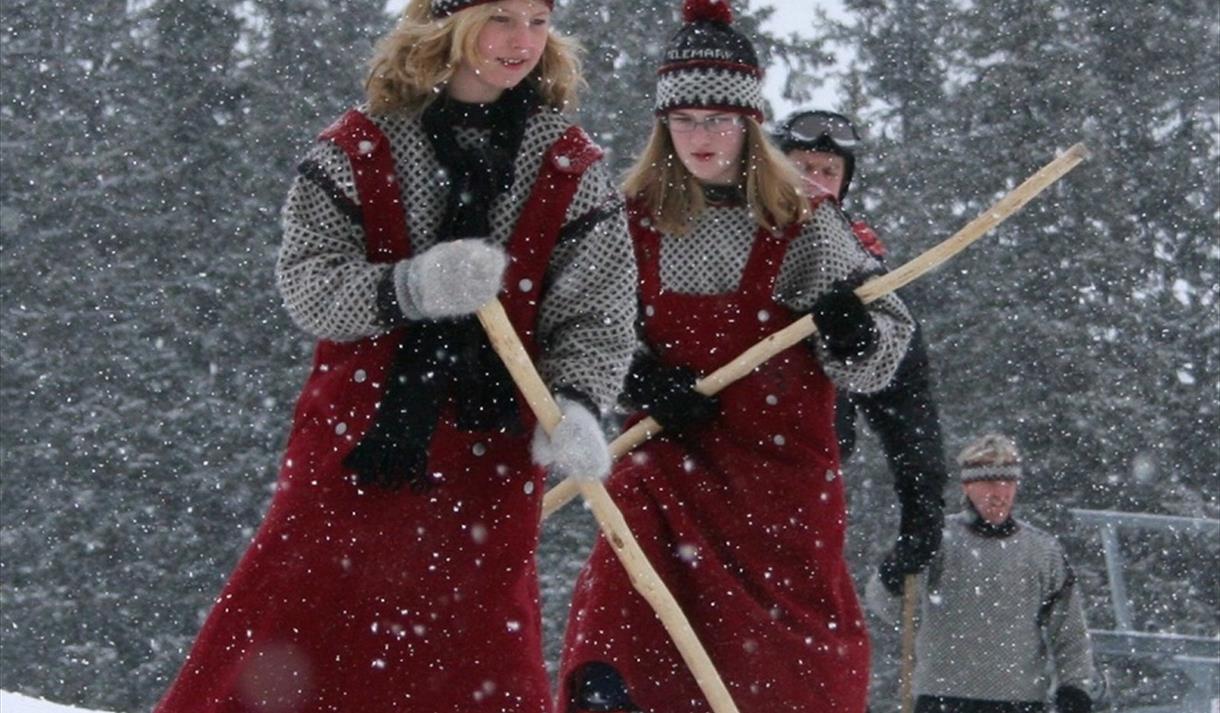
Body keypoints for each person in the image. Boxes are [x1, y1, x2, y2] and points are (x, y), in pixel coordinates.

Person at [154, 0, 637, 710]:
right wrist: (410, 287)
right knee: (293, 633)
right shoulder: (358, 147)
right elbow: (309, 286)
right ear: (448, 22)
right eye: (502, 17)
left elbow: (599, 309)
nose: (523, 40)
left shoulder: (569, 164)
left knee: (474, 654)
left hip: (490, 456)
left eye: (538, 20)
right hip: (357, 441)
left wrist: (580, 401)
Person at [556, 2, 916, 711]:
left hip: (778, 490)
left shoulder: (804, 217)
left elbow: (886, 343)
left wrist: (852, 334)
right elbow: (579, 329)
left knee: (788, 680)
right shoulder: (628, 219)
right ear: (663, 124)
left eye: (718, 118)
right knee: (620, 650)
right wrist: (637, 376)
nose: (700, 136)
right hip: (665, 468)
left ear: (749, 122)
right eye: (684, 119)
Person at [772, 109, 949, 611]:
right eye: (802, 167)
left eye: (829, 172)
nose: (814, 181)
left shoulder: (864, 273)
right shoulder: (728, 240)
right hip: (714, 467)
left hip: (808, 478)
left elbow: (907, 404)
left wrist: (922, 520)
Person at [865, 434, 1099, 713]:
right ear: (967, 486)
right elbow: (890, 608)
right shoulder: (936, 541)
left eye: (1008, 482)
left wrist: (1075, 688)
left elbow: (1070, 631)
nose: (1000, 493)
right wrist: (894, 571)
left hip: (1020, 702)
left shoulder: (1042, 551)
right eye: (989, 483)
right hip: (941, 700)